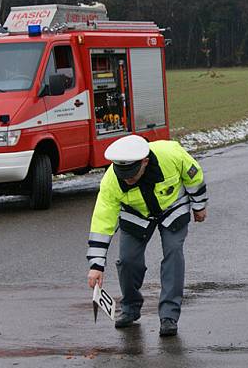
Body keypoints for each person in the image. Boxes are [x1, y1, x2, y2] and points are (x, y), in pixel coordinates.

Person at [85, 135, 208, 337]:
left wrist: (199, 205)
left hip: (172, 208)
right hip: (136, 214)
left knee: (173, 253)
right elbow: (102, 221)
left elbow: (193, 176)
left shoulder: (171, 154)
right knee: (127, 260)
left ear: (145, 161)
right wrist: (96, 265)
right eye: (123, 173)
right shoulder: (111, 181)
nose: (127, 179)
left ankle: (169, 316)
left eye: (132, 173)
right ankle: (130, 308)